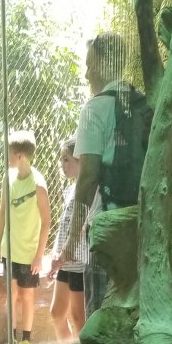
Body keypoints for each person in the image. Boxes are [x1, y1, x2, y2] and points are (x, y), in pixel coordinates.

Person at [52, 32, 131, 317]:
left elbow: (87, 179)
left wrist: (73, 241)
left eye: (89, 65)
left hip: (107, 227)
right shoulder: (143, 105)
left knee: (98, 318)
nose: (86, 74)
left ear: (103, 64)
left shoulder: (95, 108)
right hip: (139, 226)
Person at [0, 130, 51, 344]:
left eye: (9, 153)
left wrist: (39, 256)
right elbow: (2, 211)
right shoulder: (7, 178)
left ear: (20, 156)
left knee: (27, 296)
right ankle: (11, 340)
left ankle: (26, 340)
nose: (7, 157)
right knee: (12, 295)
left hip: (28, 253)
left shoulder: (38, 185)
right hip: (10, 249)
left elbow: (46, 221)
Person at [48, 139, 86, 342]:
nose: (62, 165)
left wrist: (63, 255)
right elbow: (64, 226)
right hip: (64, 261)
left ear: (80, 161)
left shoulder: (88, 189)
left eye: (67, 160)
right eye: (61, 160)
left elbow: (81, 228)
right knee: (56, 314)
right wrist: (55, 253)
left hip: (79, 262)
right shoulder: (69, 190)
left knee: (78, 318)